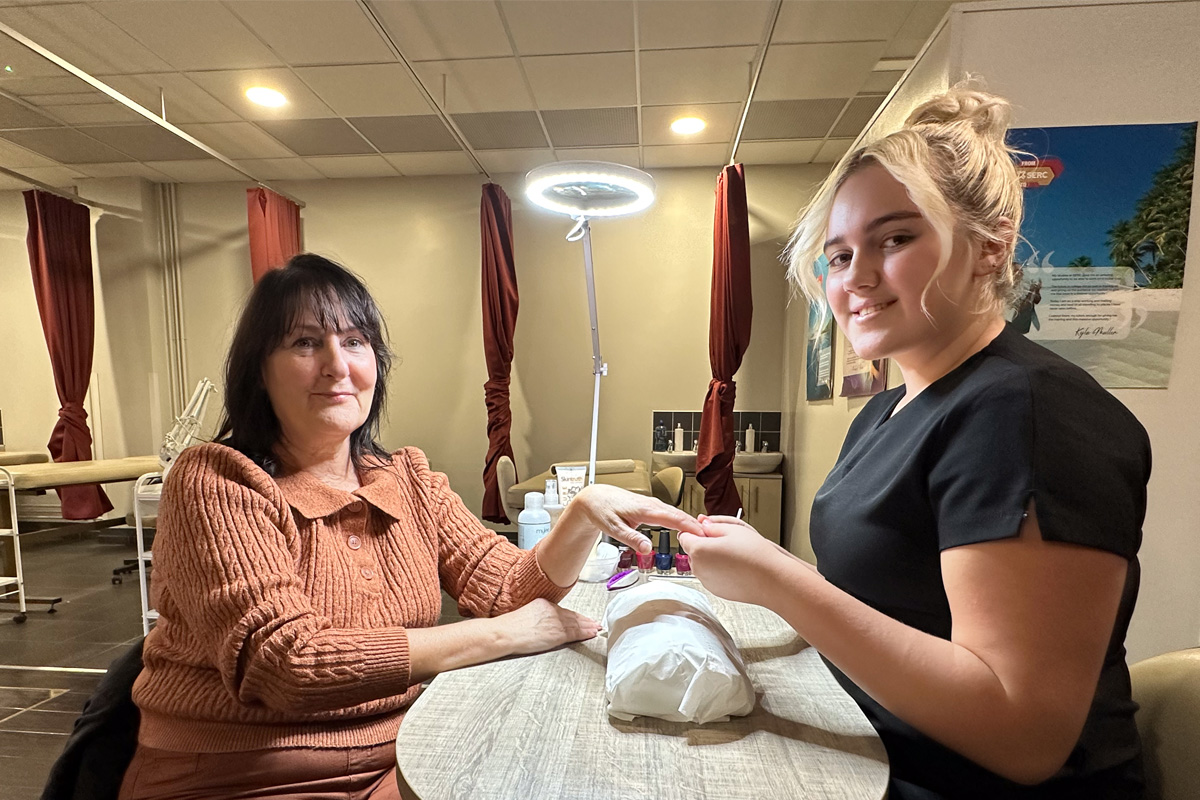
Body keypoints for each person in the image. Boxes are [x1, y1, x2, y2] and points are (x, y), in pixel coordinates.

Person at [679, 88, 1150, 800]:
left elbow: (1023, 736)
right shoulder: (888, 412)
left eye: (895, 239)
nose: (856, 278)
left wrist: (781, 582)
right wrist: (769, 571)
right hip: (867, 756)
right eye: (837, 256)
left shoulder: (1027, 413)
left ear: (989, 247)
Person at [120, 254, 699, 800]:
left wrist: (580, 516)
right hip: (242, 774)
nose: (338, 366)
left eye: (354, 342)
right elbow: (285, 665)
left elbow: (505, 592)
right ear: (259, 372)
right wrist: (508, 635)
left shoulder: (408, 478)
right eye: (304, 343)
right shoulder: (219, 479)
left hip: (400, 752)